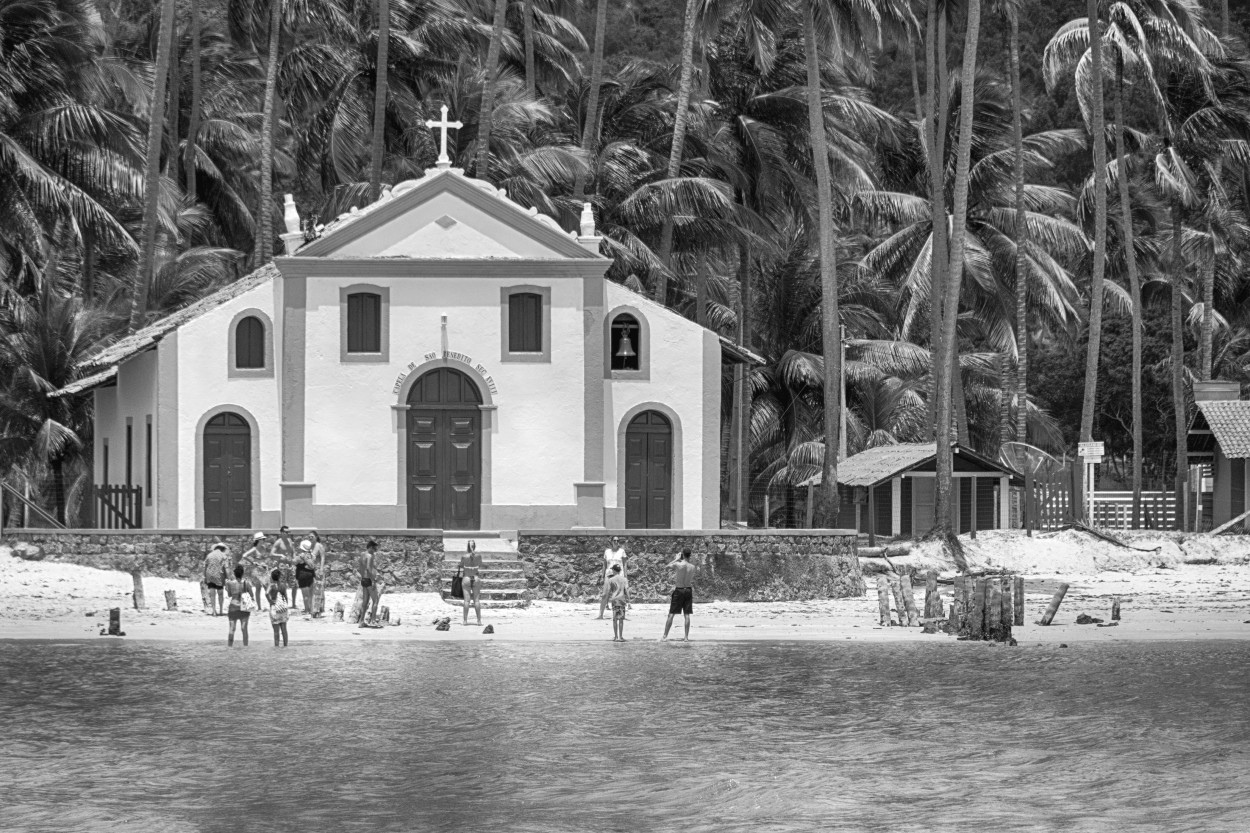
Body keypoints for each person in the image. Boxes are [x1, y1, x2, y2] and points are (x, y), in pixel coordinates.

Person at [662, 547, 697, 642]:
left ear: (682, 555)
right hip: (688, 590)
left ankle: (665, 636)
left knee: (671, 614)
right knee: (687, 614)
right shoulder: (692, 567)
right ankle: (686, 637)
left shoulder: (678, 564)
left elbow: (667, 566)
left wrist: (676, 559)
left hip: (679, 590)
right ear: (690, 555)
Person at [597, 536, 628, 619]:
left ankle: (621, 615)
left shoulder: (622, 551)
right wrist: (602, 576)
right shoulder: (607, 552)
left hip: (619, 575)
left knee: (620, 595)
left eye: (618, 541)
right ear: (611, 542)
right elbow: (604, 564)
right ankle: (600, 615)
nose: (616, 542)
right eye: (614, 540)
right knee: (604, 594)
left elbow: (624, 564)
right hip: (609, 574)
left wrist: (625, 576)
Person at [355, 540, 381, 626]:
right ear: (370, 547)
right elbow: (368, 569)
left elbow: (360, 568)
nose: (375, 551)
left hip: (363, 580)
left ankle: (361, 621)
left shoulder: (362, 555)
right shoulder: (370, 556)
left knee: (365, 602)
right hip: (369, 580)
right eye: (374, 549)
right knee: (375, 600)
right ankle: (373, 621)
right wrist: (373, 580)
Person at [225, 564, 251, 647]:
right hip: (244, 607)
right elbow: (251, 594)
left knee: (232, 629)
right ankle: (245, 648)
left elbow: (229, 595)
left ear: (235, 574)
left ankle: (229, 647)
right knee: (244, 629)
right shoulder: (246, 583)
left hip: (233, 607)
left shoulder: (230, 583)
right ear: (242, 573)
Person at [240, 532, 267, 610]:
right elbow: (244, 555)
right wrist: (252, 562)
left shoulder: (263, 548)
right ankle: (259, 607)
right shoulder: (254, 549)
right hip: (256, 571)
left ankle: (268, 604)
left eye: (263, 539)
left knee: (266, 587)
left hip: (263, 569)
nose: (263, 540)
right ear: (258, 540)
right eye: (262, 539)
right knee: (258, 588)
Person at [459, 539, 483, 626]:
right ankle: (479, 621)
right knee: (476, 601)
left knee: (466, 601)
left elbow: (461, 565)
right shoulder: (478, 556)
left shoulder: (464, 556)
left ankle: (465, 621)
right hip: (476, 578)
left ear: (467, 546)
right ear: (474, 546)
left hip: (466, 578)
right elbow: (480, 565)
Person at [203, 542, 230, 616]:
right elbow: (226, 568)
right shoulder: (223, 556)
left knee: (212, 594)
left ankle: (214, 611)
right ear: (223, 549)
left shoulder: (209, 555)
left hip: (209, 575)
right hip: (219, 576)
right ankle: (221, 611)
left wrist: (205, 577)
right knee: (220, 593)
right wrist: (228, 578)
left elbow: (205, 567)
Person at [270, 526, 296, 605]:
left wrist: (294, 559)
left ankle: (293, 604)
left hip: (290, 565)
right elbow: (271, 554)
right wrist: (280, 555)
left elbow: (293, 551)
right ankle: (284, 603)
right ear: (281, 533)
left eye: (289, 532)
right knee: (282, 585)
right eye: (286, 532)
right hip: (282, 566)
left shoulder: (290, 541)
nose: (288, 534)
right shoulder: (278, 542)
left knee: (295, 585)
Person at [266, 569, 289, 647]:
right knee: (284, 630)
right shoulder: (282, 586)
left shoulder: (271, 585)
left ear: (272, 577)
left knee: (276, 631)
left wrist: (270, 601)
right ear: (279, 577)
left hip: (274, 609)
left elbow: (266, 593)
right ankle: (285, 646)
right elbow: (286, 597)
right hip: (283, 609)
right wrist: (285, 605)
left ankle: (277, 647)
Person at [294, 539, 317, 615]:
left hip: (303, 576)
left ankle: (307, 610)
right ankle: (311, 609)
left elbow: (294, 562)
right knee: (311, 594)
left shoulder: (301, 556)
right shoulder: (312, 555)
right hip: (311, 575)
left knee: (305, 595)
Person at [606, 564, 628, 642]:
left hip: (614, 600)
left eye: (612, 570)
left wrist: (607, 602)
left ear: (614, 570)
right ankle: (621, 637)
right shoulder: (624, 579)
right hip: (622, 600)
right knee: (621, 619)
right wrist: (628, 601)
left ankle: (615, 637)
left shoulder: (611, 580)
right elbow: (626, 590)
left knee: (615, 619)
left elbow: (608, 591)